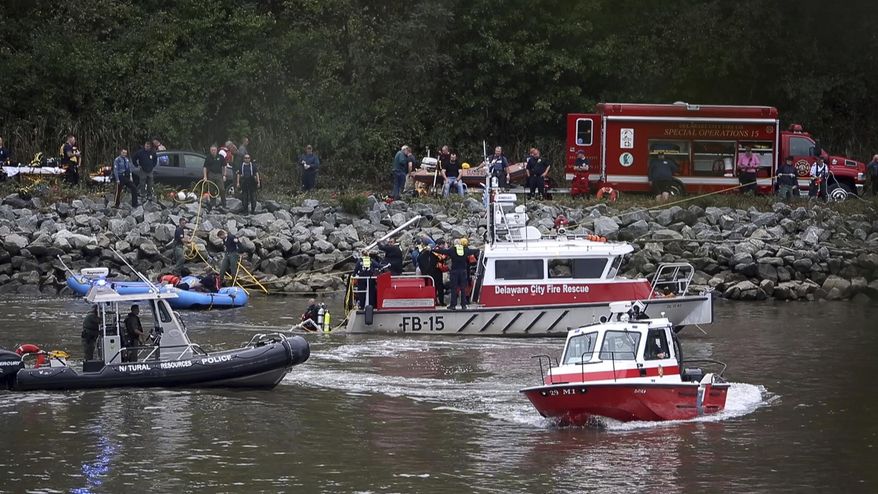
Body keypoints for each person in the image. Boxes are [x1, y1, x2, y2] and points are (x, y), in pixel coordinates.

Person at [435, 239, 479, 310]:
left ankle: (453, 305)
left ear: (454, 244)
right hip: (463, 271)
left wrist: (433, 250)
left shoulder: (452, 250)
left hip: (454, 271)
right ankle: (463, 305)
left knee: (454, 288)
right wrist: (478, 249)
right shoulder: (465, 250)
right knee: (463, 288)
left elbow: (443, 251)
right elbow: (473, 251)